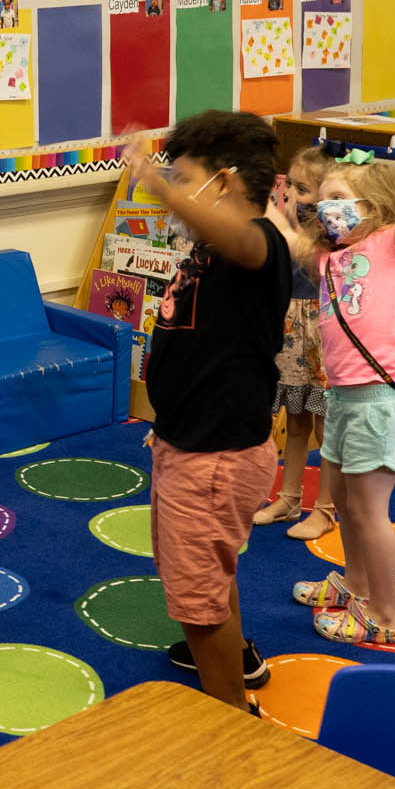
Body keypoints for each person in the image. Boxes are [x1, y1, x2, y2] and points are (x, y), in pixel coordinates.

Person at [126, 112, 290, 712]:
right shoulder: (211, 250)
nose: (175, 189)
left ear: (221, 183)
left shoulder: (258, 243)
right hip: (192, 442)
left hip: (214, 457)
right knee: (210, 573)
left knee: (197, 602)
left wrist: (156, 182)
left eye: (185, 177)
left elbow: (244, 240)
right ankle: (237, 658)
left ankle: (229, 719)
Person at [274, 132, 395, 645]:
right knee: (349, 507)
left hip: (379, 403)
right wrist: (280, 206)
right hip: (343, 399)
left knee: (369, 512)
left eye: (338, 201)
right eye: (324, 201)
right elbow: (289, 238)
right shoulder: (330, 258)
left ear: (373, 208)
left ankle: (384, 615)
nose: (327, 210)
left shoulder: (393, 246)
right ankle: (355, 584)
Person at [254, 145, 337, 540]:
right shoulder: (286, 220)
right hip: (289, 327)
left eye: (302, 189)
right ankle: (289, 498)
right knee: (295, 415)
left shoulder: (330, 232)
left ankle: (327, 507)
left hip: (320, 328)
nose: (292, 197)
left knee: (327, 424)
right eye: (289, 186)